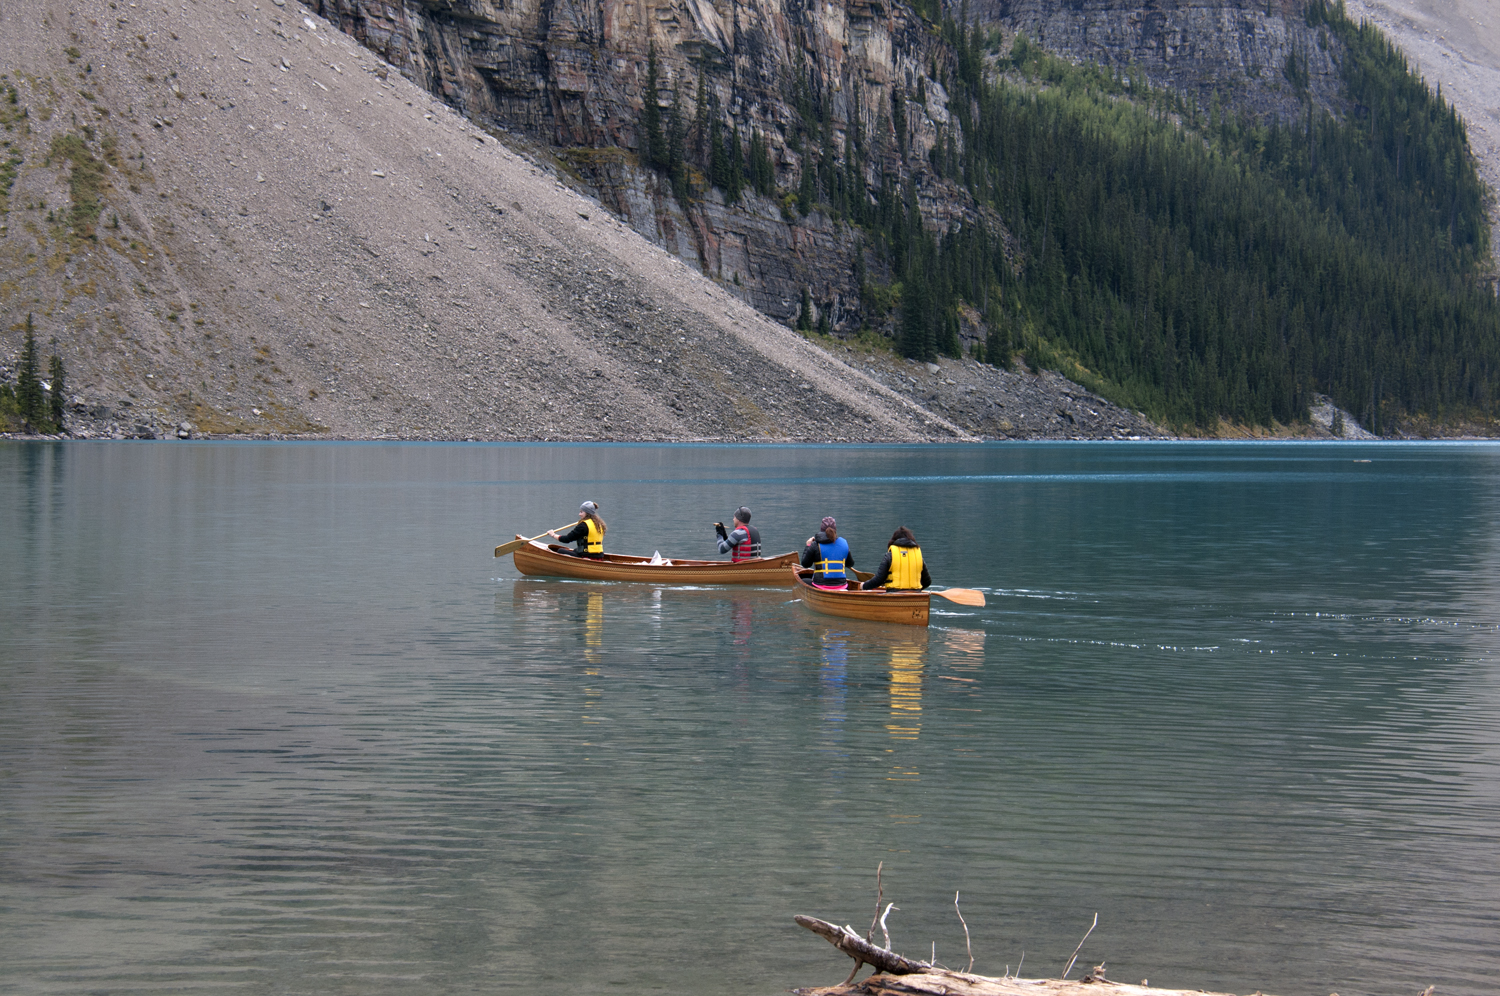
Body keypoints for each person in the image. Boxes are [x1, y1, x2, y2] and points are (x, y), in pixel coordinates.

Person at [861, 526, 931, 591]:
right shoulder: (918, 556)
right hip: (916, 598)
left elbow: (879, 580)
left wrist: (863, 586)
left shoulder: (890, 556)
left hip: (894, 595)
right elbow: (927, 582)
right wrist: (916, 590)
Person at [801, 516, 854, 587]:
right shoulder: (844, 543)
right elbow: (850, 564)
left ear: (821, 530)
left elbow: (805, 564)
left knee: (801, 580)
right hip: (841, 585)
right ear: (835, 530)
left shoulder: (815, 545)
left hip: (820, 585)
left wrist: (808, 546)